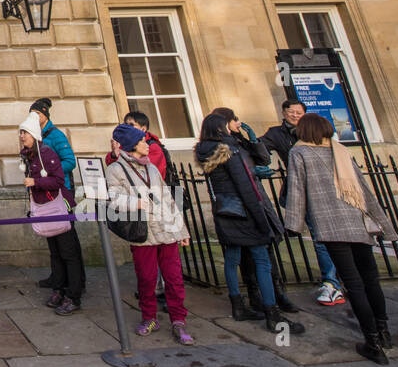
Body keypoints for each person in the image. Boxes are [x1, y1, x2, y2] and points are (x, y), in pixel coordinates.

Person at [283, 113, 397, 365]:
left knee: (354, 284)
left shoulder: (299, 153)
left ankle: (373, 343)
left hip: (331, 225)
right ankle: (384, 331)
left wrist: (293, 225)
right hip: (357, 221)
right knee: (371, 280)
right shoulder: (340, 151)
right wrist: (385, 225)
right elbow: (364, 190)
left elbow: (297, 190)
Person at [195, 113, 305, 336]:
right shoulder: (230, 150)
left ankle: (237, 305)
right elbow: (245, 186)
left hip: (224, 211)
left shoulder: (204, 150)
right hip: (243, 212)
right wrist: (261, 218)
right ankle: (272, 313)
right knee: (262, 260)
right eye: (229, 122)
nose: (233, 124)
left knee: (232, 258)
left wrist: (252, 141)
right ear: (220, 128)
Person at [107, 124, 195, 345]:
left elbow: (167, 200)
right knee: (146, 279)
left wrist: (181, 230)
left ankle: (178, 320)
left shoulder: (152, 169)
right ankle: (149, 317)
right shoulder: (115, 170)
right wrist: (134, 202)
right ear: (131, 145)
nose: (147, 145)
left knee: (174, 278)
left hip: (166, 230)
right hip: (143, 233)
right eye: (143, 141)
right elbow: (112, 198)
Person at [214, 105, 301, 315]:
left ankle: (277, 293)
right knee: (248, 254)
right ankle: (256, 296)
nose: (238, 123)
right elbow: (230, 177)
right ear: (224, 123)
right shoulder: (222, 147)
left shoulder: (240, 142)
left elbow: (264, 159)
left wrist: (253, 140)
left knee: (267, 249)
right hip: (241, 205)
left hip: (258, 200)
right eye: (234, 119)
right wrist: (252, 173)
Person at [262, 99, 347, 307]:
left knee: (337, 237)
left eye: (299, 111)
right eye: (290, 111)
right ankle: (331, 281)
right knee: (321, 237)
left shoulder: (328, 143)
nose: (294, 115)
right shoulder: (281, 137)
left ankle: (337, 280)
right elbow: (260, 148)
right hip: (306, 193)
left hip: (333, 192)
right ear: (283, 113)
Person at [29, 98, 81, 296]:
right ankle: (57, 277)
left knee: (67, 243)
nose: (35, 117)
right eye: (32, 114)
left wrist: (50, 171)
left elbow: (69, 161)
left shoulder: (56, 135)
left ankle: (75, 283)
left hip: (60, 193)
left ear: (45, 115)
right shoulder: (37, 136)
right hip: (44, 194)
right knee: (52, 239)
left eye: (38, 114)